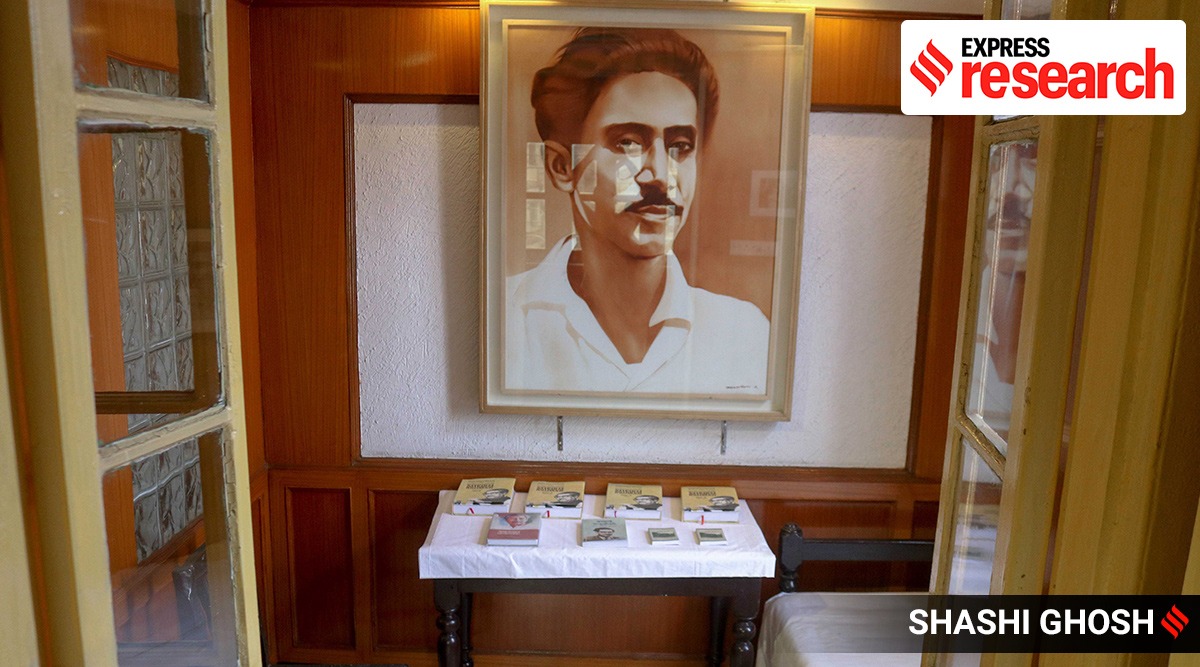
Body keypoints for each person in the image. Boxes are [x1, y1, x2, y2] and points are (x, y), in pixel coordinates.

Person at [506, 27, 770, 395]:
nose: (659, 175)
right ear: (562, 167)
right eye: (628, 143)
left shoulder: (743, 333)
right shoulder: (505, 318)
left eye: (680, 146)